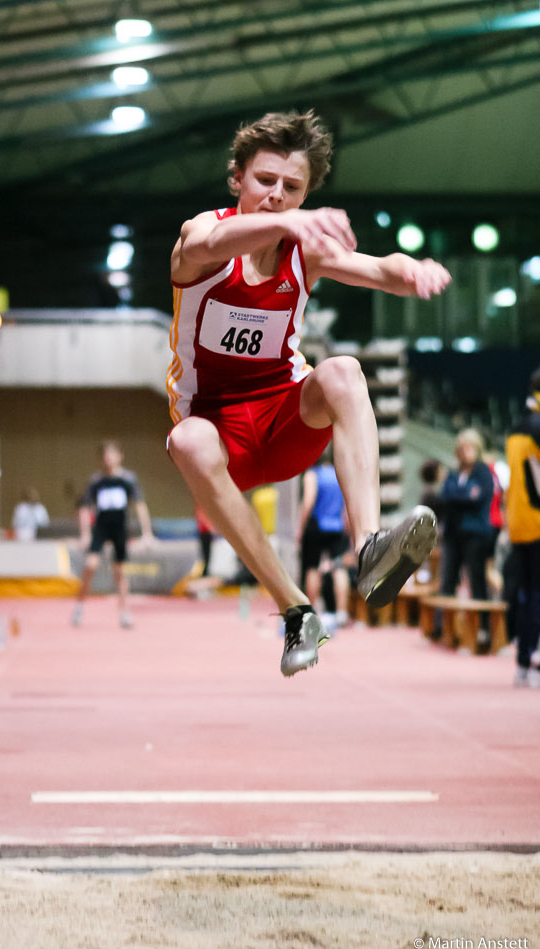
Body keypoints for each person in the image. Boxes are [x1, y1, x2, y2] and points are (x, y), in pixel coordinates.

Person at [166, 109, 449, 677]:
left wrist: (411, 269)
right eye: (264, 181)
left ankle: (369, 546)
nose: (275, 196)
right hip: (221, 435)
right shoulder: (202, 235)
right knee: (187, 441)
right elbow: (217, 239)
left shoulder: (306, 251)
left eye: (290, 188)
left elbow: (376, 267)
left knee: (342, 369)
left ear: (305, 193)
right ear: (238, 179)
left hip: (284, 417)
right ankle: (296, 610)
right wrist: (291, 224)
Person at [71, 440, 153, 629]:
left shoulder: (128, 479)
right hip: (101, 528)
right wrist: (84, 534)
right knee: (90, 566)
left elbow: (140, 505)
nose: (108, 458)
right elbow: (85, 508)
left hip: (120, 529)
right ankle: (79, 606)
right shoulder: (96, 481)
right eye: (105, 455)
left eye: (112, 454)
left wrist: (146, 533)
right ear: (101, 458)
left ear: (119, 456)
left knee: (120, 572)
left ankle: (124, 612)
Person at [438, 428, 494, 645]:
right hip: (453, 534)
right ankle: (445, 628)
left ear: (477, 448)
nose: (465, 451)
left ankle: (483, 630)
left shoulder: (483, 472)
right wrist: (465, 495)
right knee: (448, 580)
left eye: (469, 447)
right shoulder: (453, 472)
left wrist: (458, 497)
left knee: (477, 581)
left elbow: (478, 498)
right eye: (461, 448)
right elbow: (446, 496)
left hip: (476, 535)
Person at [506, 368, 540, 688]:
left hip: (518, 521)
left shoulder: (518, 425)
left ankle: (522, 660)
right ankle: (530, 658)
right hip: (538, 520)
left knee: (526, 591)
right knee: (535, 594)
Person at [299, 451, 350, 630]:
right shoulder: (339, 475)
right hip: (337, 527)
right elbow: (346, 504)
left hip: (317, 526)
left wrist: (300, 526)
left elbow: (308, 500)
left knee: (312, 568)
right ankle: (342, 612)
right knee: (338, 568)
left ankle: (311, 612)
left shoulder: (313, 474)